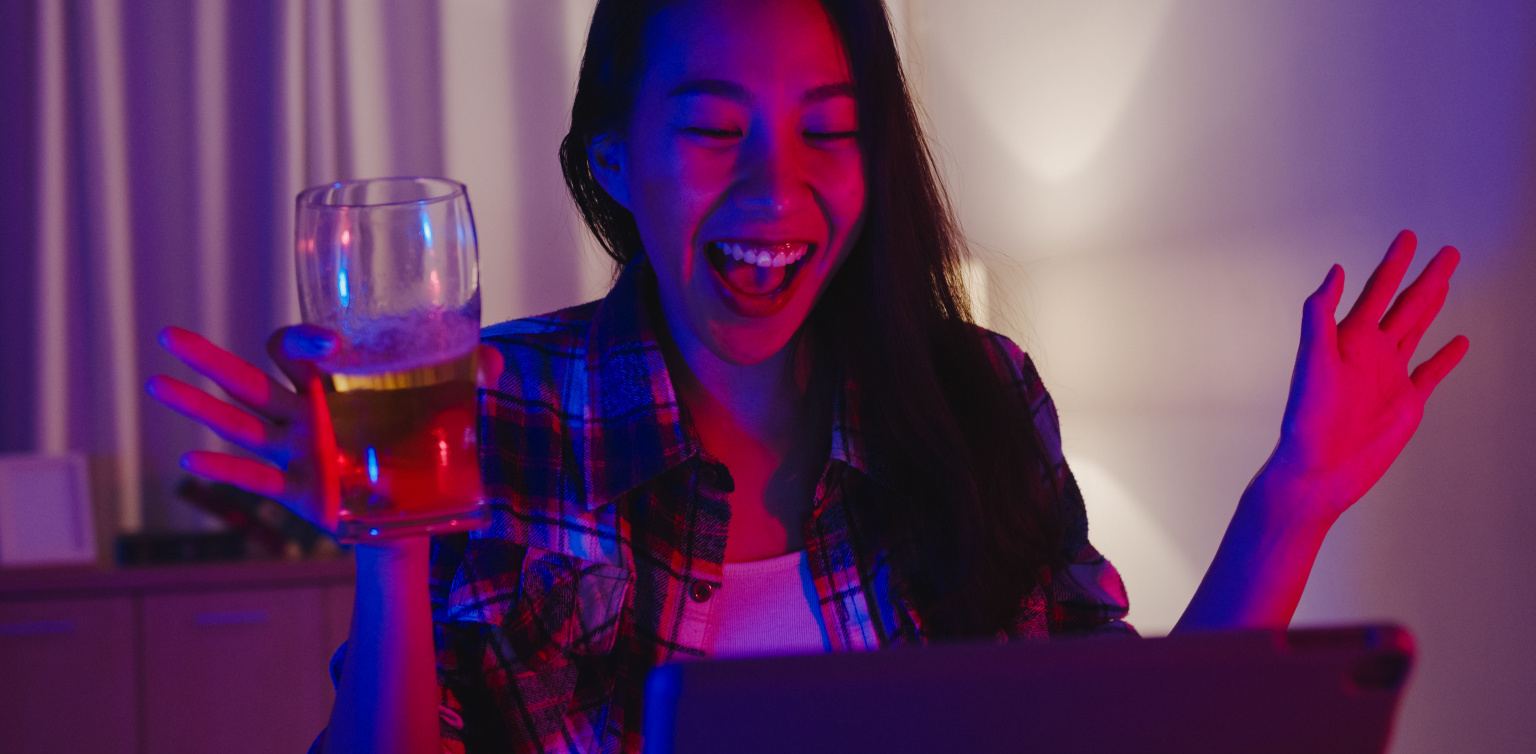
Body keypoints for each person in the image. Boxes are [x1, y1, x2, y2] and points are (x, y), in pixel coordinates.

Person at [146, 0, 1469, 752]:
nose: (778, 193)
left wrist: (1295, 498)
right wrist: (393, 536)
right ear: (612, 162)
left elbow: (1131, 735)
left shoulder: (981, 399)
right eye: (715, 130)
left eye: (827, 132)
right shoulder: (493, 414)